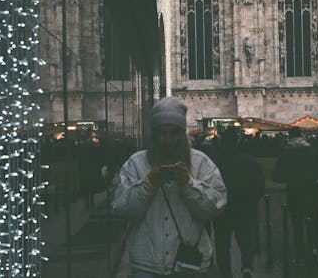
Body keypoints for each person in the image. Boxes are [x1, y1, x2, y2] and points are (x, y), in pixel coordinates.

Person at [111, 96, 227, 277]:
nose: (168, 140)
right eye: (162, 133)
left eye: (174, 133)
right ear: (154, 135)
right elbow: (123, 209)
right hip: (147, 265)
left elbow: (214, 208)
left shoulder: (201, 163)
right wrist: (149, 183)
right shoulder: (135, 164)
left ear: (182, 134)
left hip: (189, 264)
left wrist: (188, 184)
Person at [214, 127, 265, 278]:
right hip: (245, 209)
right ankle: (247, 268)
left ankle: (226, 272)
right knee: (246, 242)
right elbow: (259, 186)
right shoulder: (249, 160)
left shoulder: (216, 161)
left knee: (223, 245)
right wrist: (252, 201)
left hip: (222, 211)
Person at [273, 127, 318, 268]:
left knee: (297, 225)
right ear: (302, 136)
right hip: (312, 192)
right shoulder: (313, 152)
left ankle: (300, 254)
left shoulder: (285, 154)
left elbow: (277, 176)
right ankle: (314, 249)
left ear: (289, 137)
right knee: (314, 222)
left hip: (294, 192)